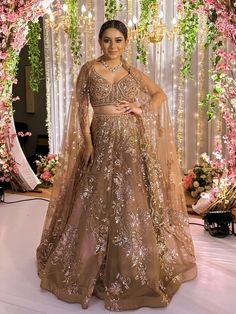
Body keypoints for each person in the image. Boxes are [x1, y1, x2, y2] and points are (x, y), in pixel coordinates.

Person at [37, 20, 197, 311]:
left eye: (119, 40)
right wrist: (87, 142)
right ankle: (90, 263)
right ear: (99, 41)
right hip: (101, 138)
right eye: (107, 40)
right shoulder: (89, 69)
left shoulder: (132, 72)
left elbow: (159, 94)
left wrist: (141, 108)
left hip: (131, 141)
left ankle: (130, 263)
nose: (113, 46)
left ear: (127, 42)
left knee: (130, 200)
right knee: (95, 200)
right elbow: (80, 108)